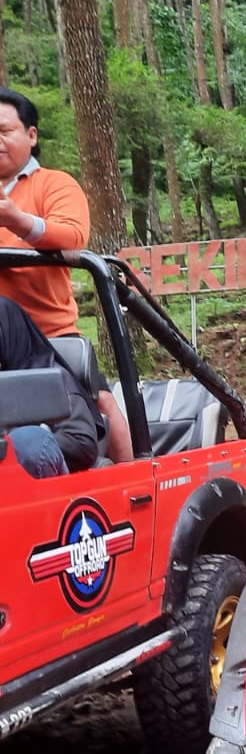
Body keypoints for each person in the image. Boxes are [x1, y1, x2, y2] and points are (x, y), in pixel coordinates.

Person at [0, 87, 131, 462]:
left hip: (50, 331)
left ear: (31, 135)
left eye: (4, 131)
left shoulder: (53, 184)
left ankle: (134, 475)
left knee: (99, 399)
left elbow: (73, 235)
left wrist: (17, 220)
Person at [0, 294, 102, 476]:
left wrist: (9, 444)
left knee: (30, 441)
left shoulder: (50, 378)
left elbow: (82, 442)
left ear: (8, 335)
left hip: (42, 480)